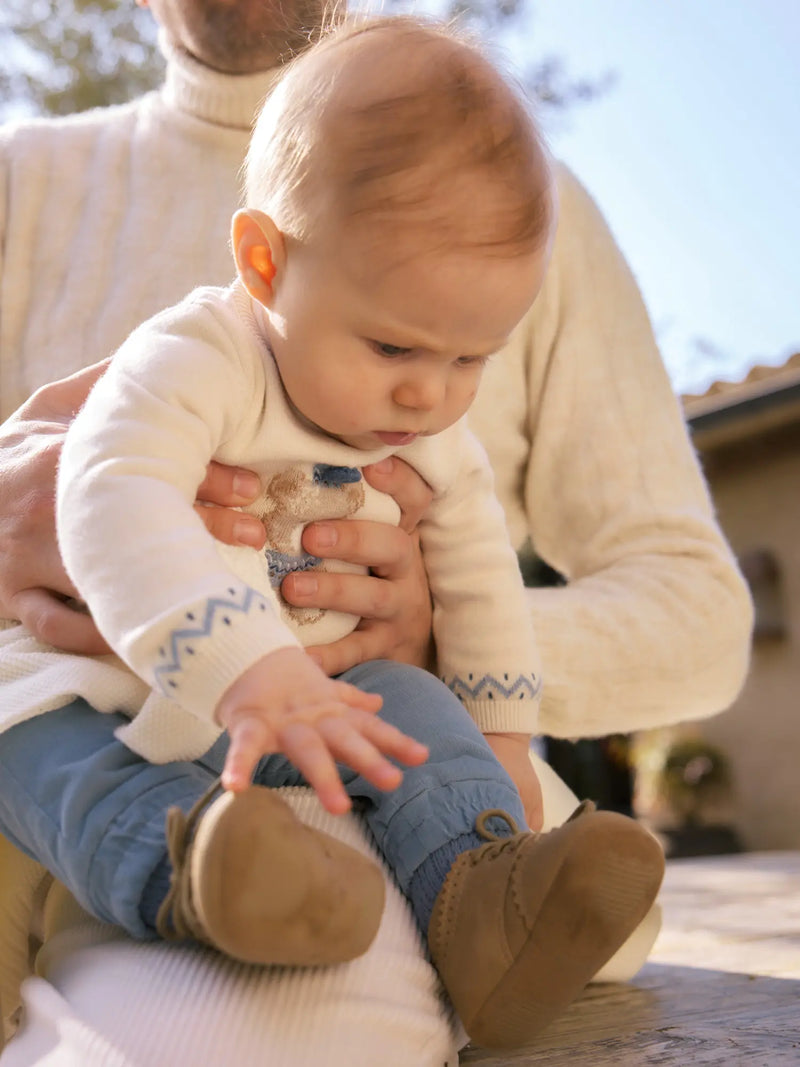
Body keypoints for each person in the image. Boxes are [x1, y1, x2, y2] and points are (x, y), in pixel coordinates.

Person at [0, 0, 752, 1060]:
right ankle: (185, 868)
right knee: (39, 745)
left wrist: (470, 703)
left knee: (398, 754)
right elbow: (118, 485)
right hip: (116, 715)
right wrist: (242, 655)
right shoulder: (145, 302)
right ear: (262, 264)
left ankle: (481, 898)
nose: (429, 396)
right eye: (393, 347)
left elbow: (519, 574)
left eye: (471, 360)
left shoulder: (508, 203)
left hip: (330, 753)